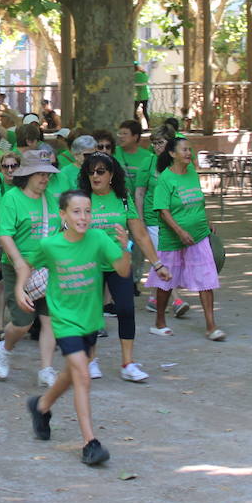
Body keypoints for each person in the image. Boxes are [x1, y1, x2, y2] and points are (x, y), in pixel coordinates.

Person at [20, 190, 127, 467]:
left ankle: (41, 406)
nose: (83, 217)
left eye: (87, 211)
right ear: (63, 215)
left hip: (90, 319)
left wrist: (125, 247)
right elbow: (27, 263)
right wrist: (21, 288)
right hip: (64, 320)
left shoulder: (99, 238)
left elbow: (123, 270)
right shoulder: (50, 245)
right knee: (82, 375)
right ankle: (90, 443)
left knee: (72, 372)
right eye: (77, 211)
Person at [77, 151, 160, 382]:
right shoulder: (82, 199)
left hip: (118, 261)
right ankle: (91, 360)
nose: (95, 176)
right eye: (91, 172)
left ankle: (128, 363)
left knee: (125, 309)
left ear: (111, 175)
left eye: (101, 171)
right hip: (89, 264)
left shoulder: (123, 198)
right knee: (91, 314)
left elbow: (140, 233)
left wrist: (157, 263)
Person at [0, 153, 60, 385]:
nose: (45, 178)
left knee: (49, 319)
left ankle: (46, 369)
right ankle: (5, 347)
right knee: (23, 322)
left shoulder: (50, 198)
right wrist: (20, 262)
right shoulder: (11, 199)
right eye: (40, 173)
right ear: (27, 175)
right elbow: (4, 233)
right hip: (18, 269)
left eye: (48, 174)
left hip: (48, 268)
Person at [148, 137, 223, 340]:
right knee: (166, 279)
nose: (189, 153)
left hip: (199, 235)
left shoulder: (191, 172)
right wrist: (179, 231)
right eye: (184, 150)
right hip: (173, 237)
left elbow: (198, 201)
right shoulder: (165, 178)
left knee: (206, 277)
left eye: (190, 149)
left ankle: (211, 326)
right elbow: (163, 210)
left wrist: (206, 221)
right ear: (172, 154)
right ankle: (160, 322)